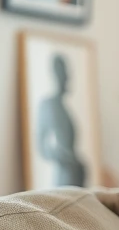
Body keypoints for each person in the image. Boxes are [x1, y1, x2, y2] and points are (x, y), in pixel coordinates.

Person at [37, 53, 87, 187]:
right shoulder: (48, 105)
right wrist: (64, 157)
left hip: (77, 174)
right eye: (63, 73)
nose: (67, 78)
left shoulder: (65, 107)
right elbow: (42, 146)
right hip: (65, 176)